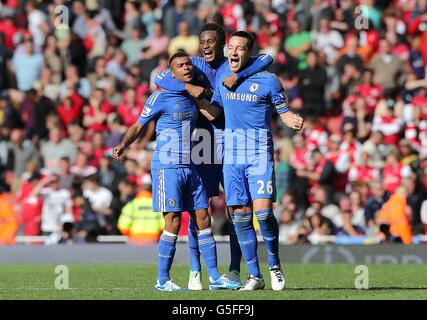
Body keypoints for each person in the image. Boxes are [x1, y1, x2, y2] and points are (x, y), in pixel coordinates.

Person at [155, 23, 273, 290]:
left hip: (229, 138)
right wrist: (188, 88)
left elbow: (267, 57)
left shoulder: (233, 62)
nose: (206, 46)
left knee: (236, 207)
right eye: (202, 41)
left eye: (212, 41)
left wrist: (242, 73)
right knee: (199, 209)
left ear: (223, 44)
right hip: (201, 142)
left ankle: (233, 269)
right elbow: (160, 77)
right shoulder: (193, 64)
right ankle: (196, 270)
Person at [112, 52, 240, 292]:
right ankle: (162, 280)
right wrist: (123, 145)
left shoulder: (193, 95)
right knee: (172, 221)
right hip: (167, 166)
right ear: (173, 73)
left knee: (203, 217)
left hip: (191, 166)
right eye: (180, 65)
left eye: (188, 64)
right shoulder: (160, 97)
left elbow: (213, 114)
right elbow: (138, 125)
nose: (186, 67)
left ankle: (213, 277)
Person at [194, 31, 303, 290]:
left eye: (239, 48)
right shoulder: (223, 81)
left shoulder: (268, 80)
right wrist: (192, 96)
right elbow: (215, 113)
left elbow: (283, 111)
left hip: (258, 156)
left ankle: (274, 265)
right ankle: (255, 275)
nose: (233, 51)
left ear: (248, 53)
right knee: (241, 217)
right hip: (231, 159)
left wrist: (289, 119)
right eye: (230, 47)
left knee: (264, 214)